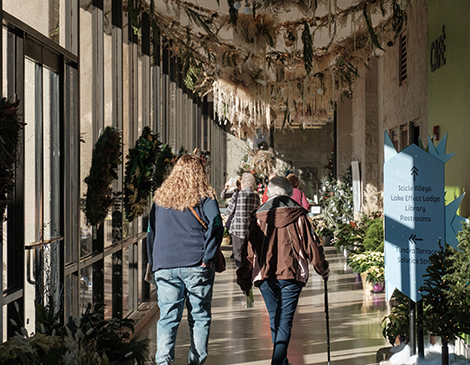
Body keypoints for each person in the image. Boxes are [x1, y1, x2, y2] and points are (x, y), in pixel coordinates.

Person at [237, 176, 329, 365]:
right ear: (289, 192)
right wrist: (322, 268)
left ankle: (281, 360)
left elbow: (248, 251)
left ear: (268, 193)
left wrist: (244, 279)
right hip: (291, 274)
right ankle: (278, 362)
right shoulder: (299, 216)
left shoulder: (258, 217)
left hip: (265, 275)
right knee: (284, 321)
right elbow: (312, 246)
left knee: (276, 319)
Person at [147, 155, 224, 365]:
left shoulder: (160, 199)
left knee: (168, 318)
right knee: (199, 317)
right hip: (196, 264)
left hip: (165, 265)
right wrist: (208, 256)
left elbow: (151, 232)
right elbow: (216, 224)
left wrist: (152, 261)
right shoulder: (205, 197)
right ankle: (196, 362)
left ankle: (163, 362)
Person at [225, 172, 260, 267]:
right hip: (250, 228)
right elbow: (257, 212)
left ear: (243, 183)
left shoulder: (237, 195)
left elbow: (229, 211)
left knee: (237, 253)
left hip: (237, 228)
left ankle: (240, 273)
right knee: (249, 252)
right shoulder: (256, 196)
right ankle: (249, 272)